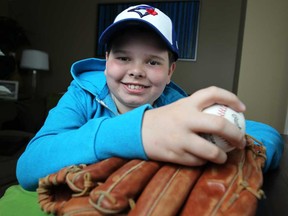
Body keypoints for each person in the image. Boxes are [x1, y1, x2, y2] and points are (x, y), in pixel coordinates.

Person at [16, 4, 283, 192]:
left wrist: (248, 154)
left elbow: (267, 134)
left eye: (153, 62)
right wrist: (138, 131)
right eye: (123, 57)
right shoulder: (80, 95)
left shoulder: (174, 104)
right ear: (106, 61)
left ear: (169, 72)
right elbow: (28, 168)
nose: (136, 71)